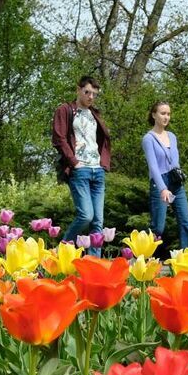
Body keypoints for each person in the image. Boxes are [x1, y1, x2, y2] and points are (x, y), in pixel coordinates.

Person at [52, 76, 111, 256]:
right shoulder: (66, 110)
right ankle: (62, 250)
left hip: (97, 170)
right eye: (87, 92)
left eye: (94, 94)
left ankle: (94, 264)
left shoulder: (94, 113)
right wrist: (74, 162)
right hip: (80, 170)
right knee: (86, 215)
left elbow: (101, 139)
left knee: (98, 222)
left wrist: (103, 163)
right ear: (78, 90)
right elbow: (59, 138)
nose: (91, 97)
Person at [143, 102, 188, 254]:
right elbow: (153, 166)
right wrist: (162, 188)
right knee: (158, 226)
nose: (166, 117)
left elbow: (175, 161)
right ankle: (146, 257)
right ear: (154, 115)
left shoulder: (172, 136)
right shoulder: (149, 138)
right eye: (162, 113)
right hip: (159, 181)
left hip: (175, 181)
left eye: (168, 114)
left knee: (185, 221)